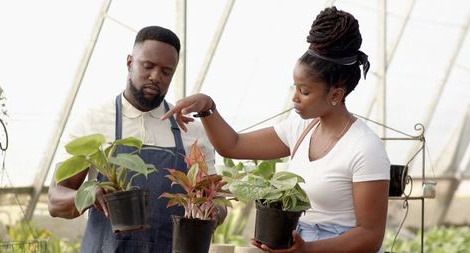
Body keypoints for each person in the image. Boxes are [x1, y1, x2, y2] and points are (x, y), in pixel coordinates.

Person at [162, 7, 390, 253]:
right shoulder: (302, 128)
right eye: (295, 87)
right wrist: (207, 107)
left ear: (336, 94)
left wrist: (308, 249)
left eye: (304, 91)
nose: (295, 98)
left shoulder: (365, 148)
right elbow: (233, 146)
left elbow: (370, 236)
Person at [48, 26, 223, 253]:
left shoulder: (192, 131)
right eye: (148, 66)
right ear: (130, 62)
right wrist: (89, 194)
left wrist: (213, 214)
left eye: (166, 72)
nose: (155, 77)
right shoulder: (94, 122)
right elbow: (55, 200)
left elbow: (216, 201)